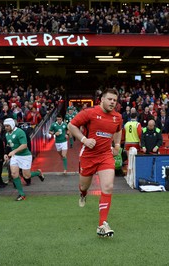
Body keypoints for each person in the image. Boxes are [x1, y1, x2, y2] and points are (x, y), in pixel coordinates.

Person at [67, 88, 122, 237]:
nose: (112, 102)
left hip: (105, 156)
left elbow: (118, 130)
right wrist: (84, 140)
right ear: (102, 99)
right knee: (84, 185)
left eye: (115, 100)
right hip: (88, 156)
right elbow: (71, 126)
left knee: (108, 186)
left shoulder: (117, 117)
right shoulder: (90, 112)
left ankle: (102, 225)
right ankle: (83, 194)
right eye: (110, 99)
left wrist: (117, 146)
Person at [3, 118, 44, 201]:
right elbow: (9, 145)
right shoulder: (7, 134)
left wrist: (14, 151)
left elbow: (24, 145)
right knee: (14, 174)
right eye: (5, 126)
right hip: (15, 156)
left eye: (7, 126)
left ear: (12, 125)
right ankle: (21, 194)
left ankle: (38, 173)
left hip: (25, 156)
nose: (6, 128)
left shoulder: (20, 132)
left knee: (26, 176)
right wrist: (6, 154)